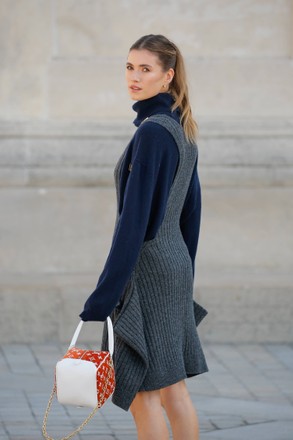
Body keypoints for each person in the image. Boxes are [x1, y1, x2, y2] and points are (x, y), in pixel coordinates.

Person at [80, 34, 208, 440]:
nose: (134, 77)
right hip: (173, 266)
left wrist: (101, 299)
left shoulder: (152, 133)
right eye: (129, 67)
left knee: (144, 393)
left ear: (167, 77)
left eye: (145, 69)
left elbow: (133, 225)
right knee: (172, 388)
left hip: (150, 270)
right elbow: (191, 216)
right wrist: (183, 274)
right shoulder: (180, 129)